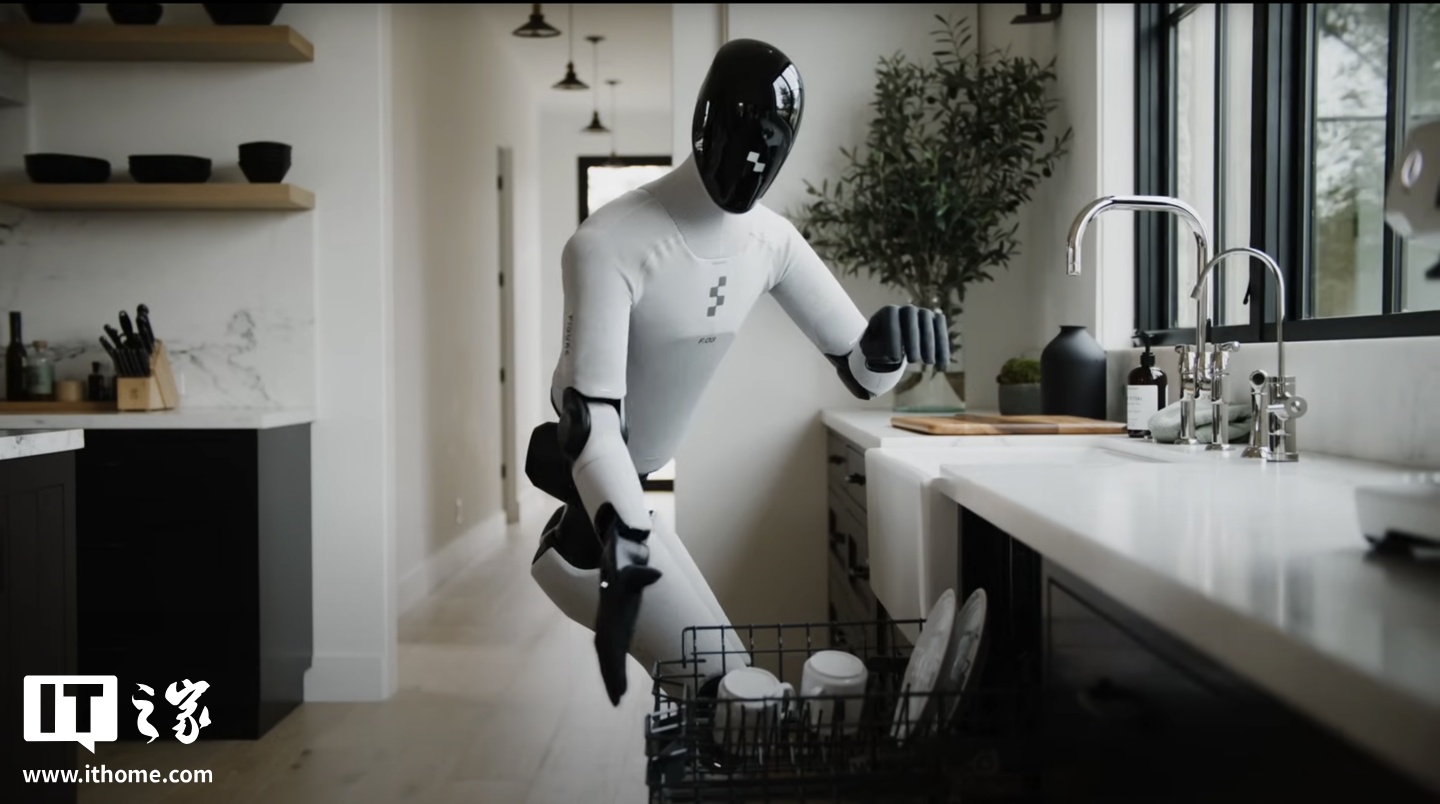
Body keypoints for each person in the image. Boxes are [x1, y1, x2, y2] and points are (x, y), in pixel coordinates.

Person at [525, 38, 949, 706]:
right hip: (599, 522)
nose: (753, 156)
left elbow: (863, 372)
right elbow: (589, 427)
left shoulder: (770, 242)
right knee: (730, 697)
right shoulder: (608, 244)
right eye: (741, 131)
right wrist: (625, 540)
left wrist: (886, 346)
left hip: (628, 510)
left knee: (736, 690)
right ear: (705, 123)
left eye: (771, 138)